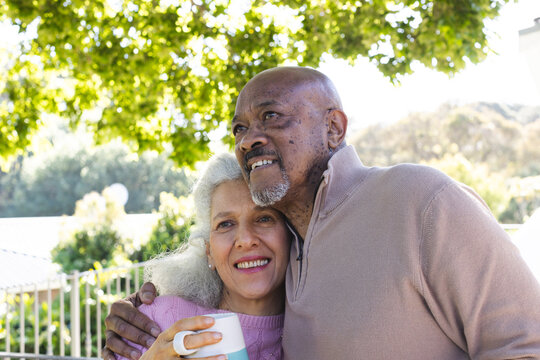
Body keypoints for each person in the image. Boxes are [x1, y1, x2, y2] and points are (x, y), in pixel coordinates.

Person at [104, 66, 540, 359]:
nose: (247, 140)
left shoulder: (419, 199)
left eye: (270, 116)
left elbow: (525, 344)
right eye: (239, 128)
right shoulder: (287, 245)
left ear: (333, 128)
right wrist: (138, 322)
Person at [112, 153, 289, 360]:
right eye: (225, 224)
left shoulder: (318, 332)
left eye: (264, 218)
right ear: (209, 252)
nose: (245, 239)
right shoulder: (158, 320)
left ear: (291, 235)